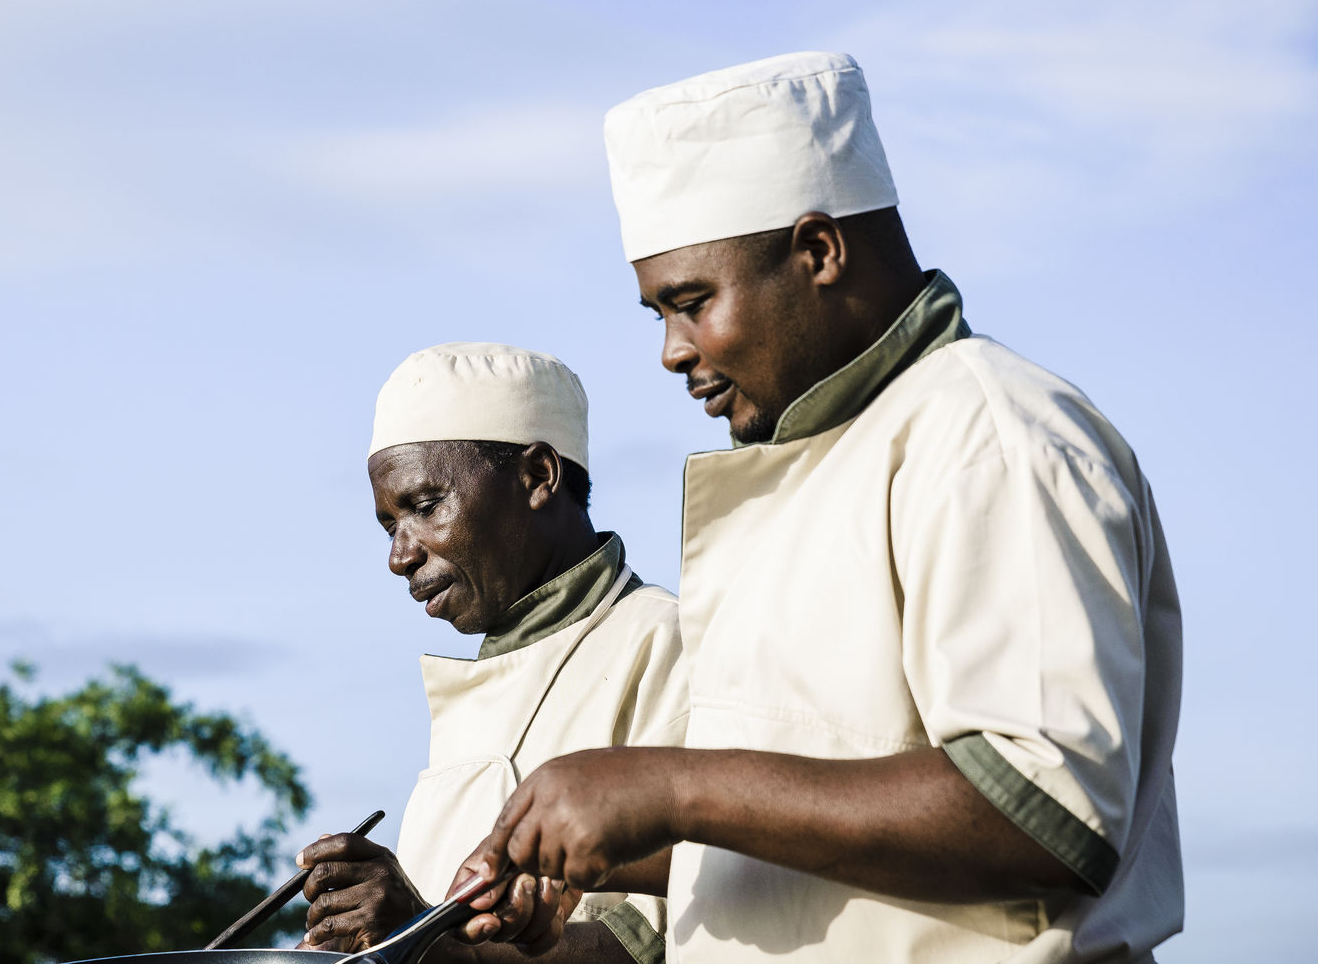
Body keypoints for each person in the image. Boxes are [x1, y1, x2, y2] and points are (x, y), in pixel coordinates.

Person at [452, 53, 1183, 963]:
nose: (674, 353)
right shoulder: (815, 463)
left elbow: (1046, 812)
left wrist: (671, 785)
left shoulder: (989, 432)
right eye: (659, 316)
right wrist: (599, 849)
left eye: (691, 302)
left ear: (819, 251)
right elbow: (807, 831)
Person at [296, 343, 691, 964]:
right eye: (388, 525)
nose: (399, 556)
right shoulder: (477, 694)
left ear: (537, 477)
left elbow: (657, 945)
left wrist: (420, 941)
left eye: (425, 508)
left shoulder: (667, 642)